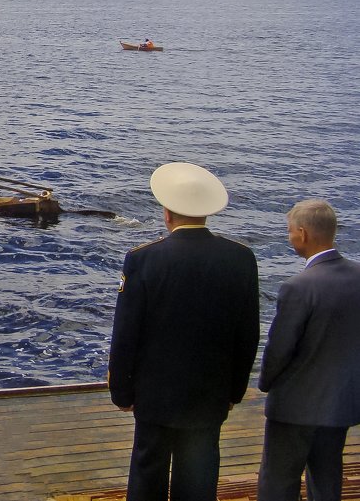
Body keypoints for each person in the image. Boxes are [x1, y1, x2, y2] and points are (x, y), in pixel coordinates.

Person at [108, 162, 260, 501]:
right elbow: (247, 335)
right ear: (206, 213)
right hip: (210, 392)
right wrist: (235, 391)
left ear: (167, 213)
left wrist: (121, 391)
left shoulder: (143, 260)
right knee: (199, 478)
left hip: (154, 393)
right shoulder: (240, 259)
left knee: (148, 474)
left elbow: (126, 335)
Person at [257, 200, 360, 501]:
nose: (289, 238)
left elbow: (279, 349)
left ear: (302, 234)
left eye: (290, 232)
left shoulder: (298, 287)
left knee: (279, 482)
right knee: (327, 480)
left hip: (294, 406)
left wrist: (265, 382)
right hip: (341, 401)